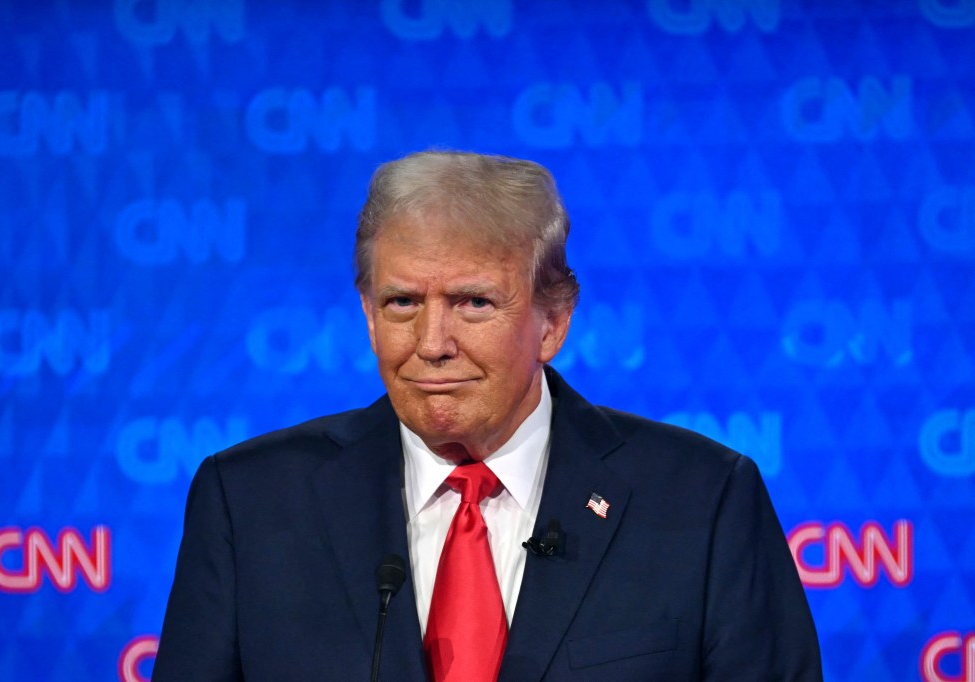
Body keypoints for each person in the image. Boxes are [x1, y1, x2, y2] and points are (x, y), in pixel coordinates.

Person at [153, 151, 822, 681]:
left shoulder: (701, 502)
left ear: (552, 321)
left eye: (473, 303)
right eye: (402, 304)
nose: (432, 342)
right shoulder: (251, 502)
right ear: (366, 313)